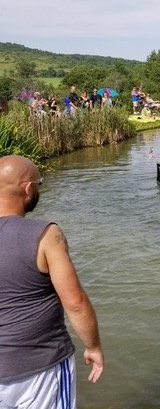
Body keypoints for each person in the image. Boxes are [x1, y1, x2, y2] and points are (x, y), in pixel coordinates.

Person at [0, 155, 104, 408]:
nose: (39, 188)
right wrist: (93, 347)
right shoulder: (46, 234)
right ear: (27, 189)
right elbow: (75, 303)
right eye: (39, 183)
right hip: (40, 366)